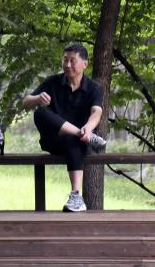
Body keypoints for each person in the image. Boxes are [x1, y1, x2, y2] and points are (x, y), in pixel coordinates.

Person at [22, 41, 107, 213]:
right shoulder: (52, 82)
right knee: (40, 113)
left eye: (72, 61)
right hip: (54, 141)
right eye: (65, 60)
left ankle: (76, 196)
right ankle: (81, 135)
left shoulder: (94, 88)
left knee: (73, 141)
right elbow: (26, 103)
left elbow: (96, 112)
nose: (67, 65)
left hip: (78, 143)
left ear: (85, 64)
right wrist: (38, 98)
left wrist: (88, 128)